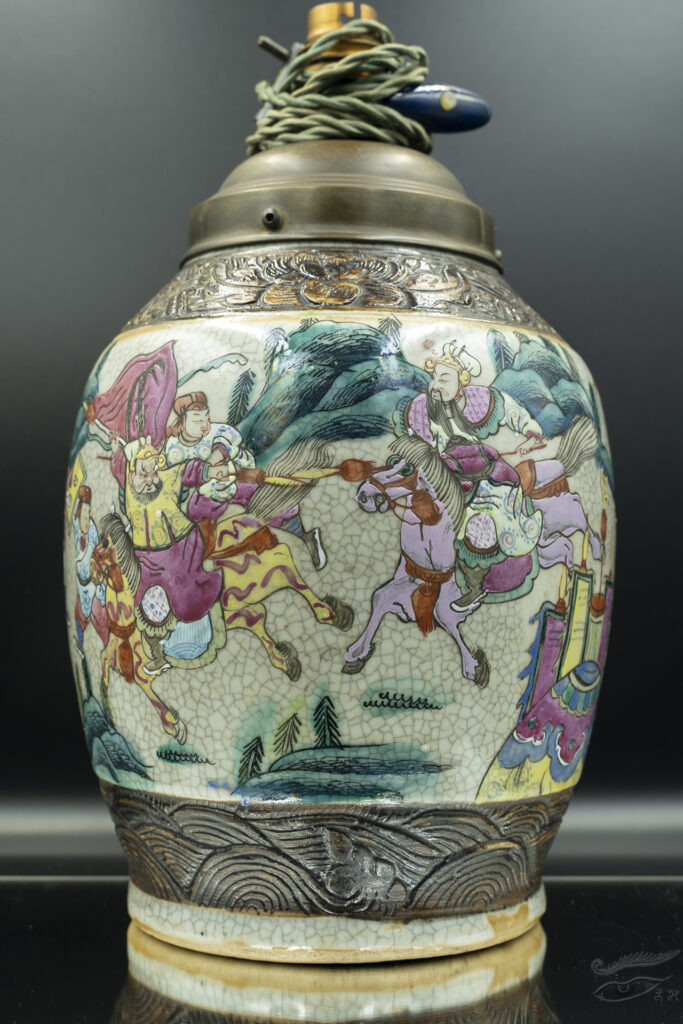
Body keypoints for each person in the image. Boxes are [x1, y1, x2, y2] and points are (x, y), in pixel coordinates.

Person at [404, 341, 544, 602]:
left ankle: (475, 586)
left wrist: (529, 430)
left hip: (485, 474)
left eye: (445, 379)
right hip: (446, 473)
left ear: (462, 381)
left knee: (480, 527)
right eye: (435, 378)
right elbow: (417, 442)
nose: (437, 384)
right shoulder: (423, 407)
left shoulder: (479, 400)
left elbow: (510, 409)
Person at [122, 437, 223, 672]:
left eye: (153, 472)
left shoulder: (167, 480)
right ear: (132, 473)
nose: (150, 479)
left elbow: (188, 471)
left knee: (185, 594)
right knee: (145, 605)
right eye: (143, 473)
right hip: (146, 560)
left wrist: (209, 471)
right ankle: (158, 654)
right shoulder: (128, 492)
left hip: (180, 549)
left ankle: (194, 640)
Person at [72, 486, 108, 648]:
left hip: (94, 583)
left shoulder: (92, 532)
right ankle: (81, 646)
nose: (86, 518)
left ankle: (109, 647)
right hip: (81, 584)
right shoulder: (77, 530)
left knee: (102, 616)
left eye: (88, 513)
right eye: (84, 514)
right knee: (79, 616)